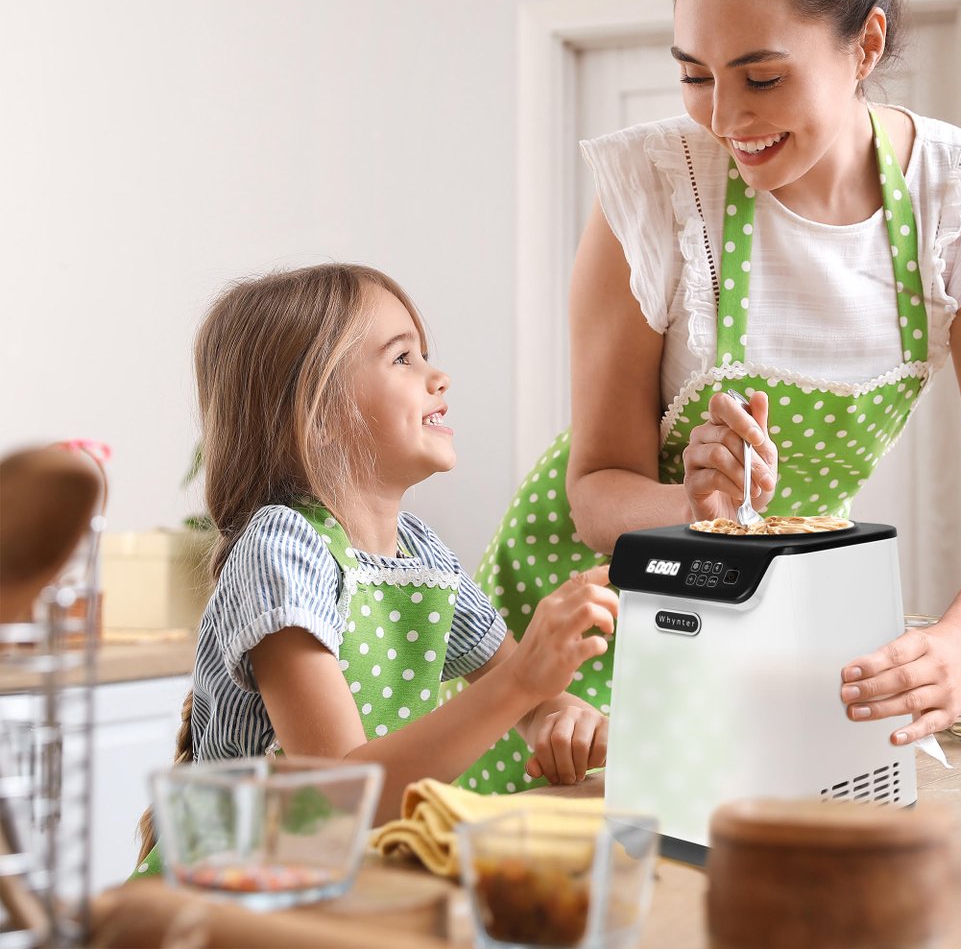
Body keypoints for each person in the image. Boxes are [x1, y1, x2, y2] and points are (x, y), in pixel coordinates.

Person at [451, 0, 961, 793]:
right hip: (586, 613)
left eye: (762, 76)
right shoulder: (657, 189)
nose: (726, 117)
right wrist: (690, 510)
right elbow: (594, 487)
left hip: (767, 611)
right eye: (695, 74)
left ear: (863, 46)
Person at [133, 263, 615, 873]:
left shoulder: (422, 554)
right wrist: (524, 679)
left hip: (338, 881)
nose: (439, 378)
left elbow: (532, 704)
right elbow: (335, 795)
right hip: (226, 896)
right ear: (316, 413)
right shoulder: (281, 549)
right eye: (402, 359)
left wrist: (562, 715)